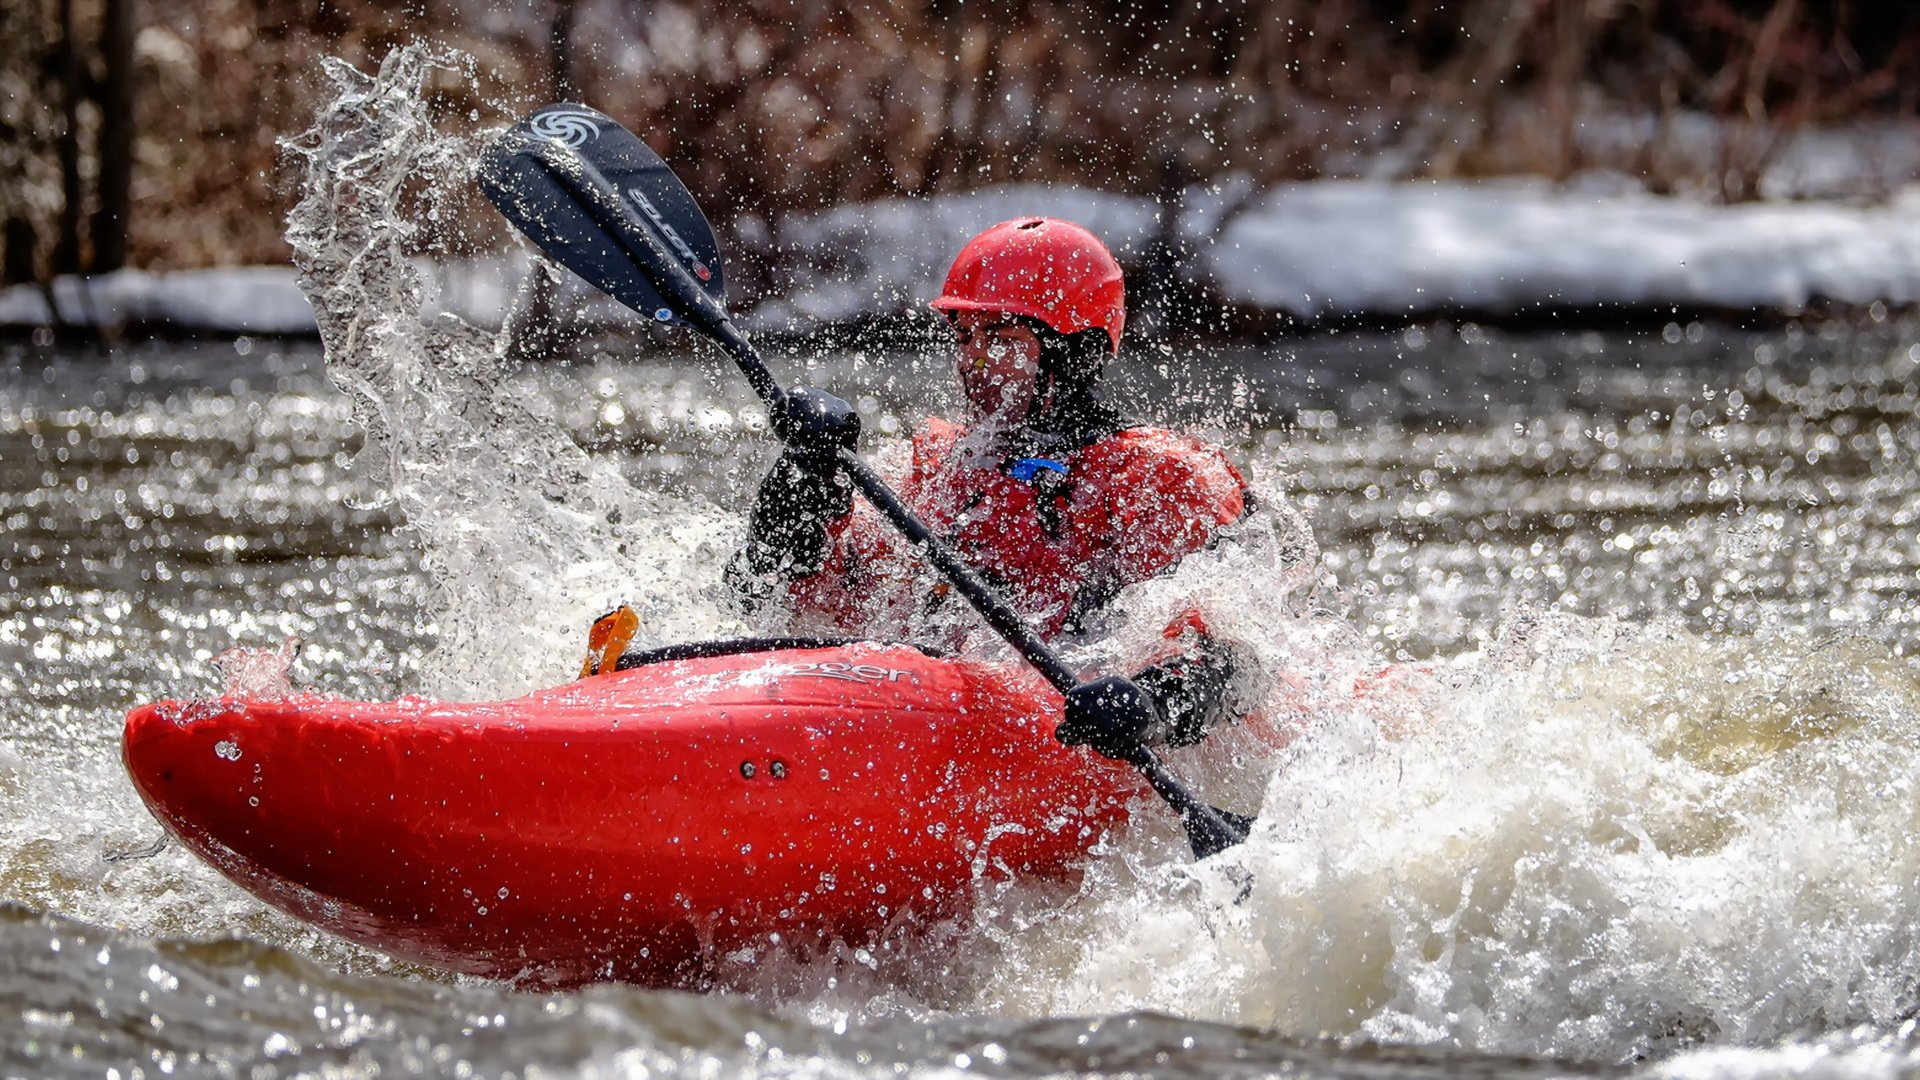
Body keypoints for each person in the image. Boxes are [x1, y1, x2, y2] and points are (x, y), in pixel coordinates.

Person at [725, 217, 1252, 747]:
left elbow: (1236, 654)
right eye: (964, 337)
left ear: (1075, 350)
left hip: (1078, 735)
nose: (973, 360)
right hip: (948, 719)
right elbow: (786, 597)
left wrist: (1151, 706)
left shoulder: (1159, 476)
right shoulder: (939, 465)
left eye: (1001, 338)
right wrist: (805, 480)